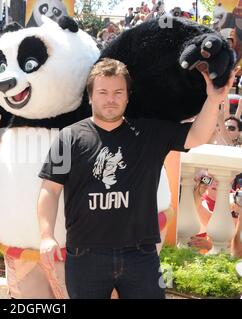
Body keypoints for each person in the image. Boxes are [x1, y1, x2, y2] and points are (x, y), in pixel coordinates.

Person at [37, 58, 237, 299]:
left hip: (140, 256)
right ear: (90, 96)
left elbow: (197, 136)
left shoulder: (148, 133)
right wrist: (46, 236)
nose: (111, 99)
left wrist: (214, 99)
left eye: (118, 92)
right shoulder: (67, 138)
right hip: (85, 255)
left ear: (128, 96)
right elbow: (50, 190)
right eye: (103, 92)